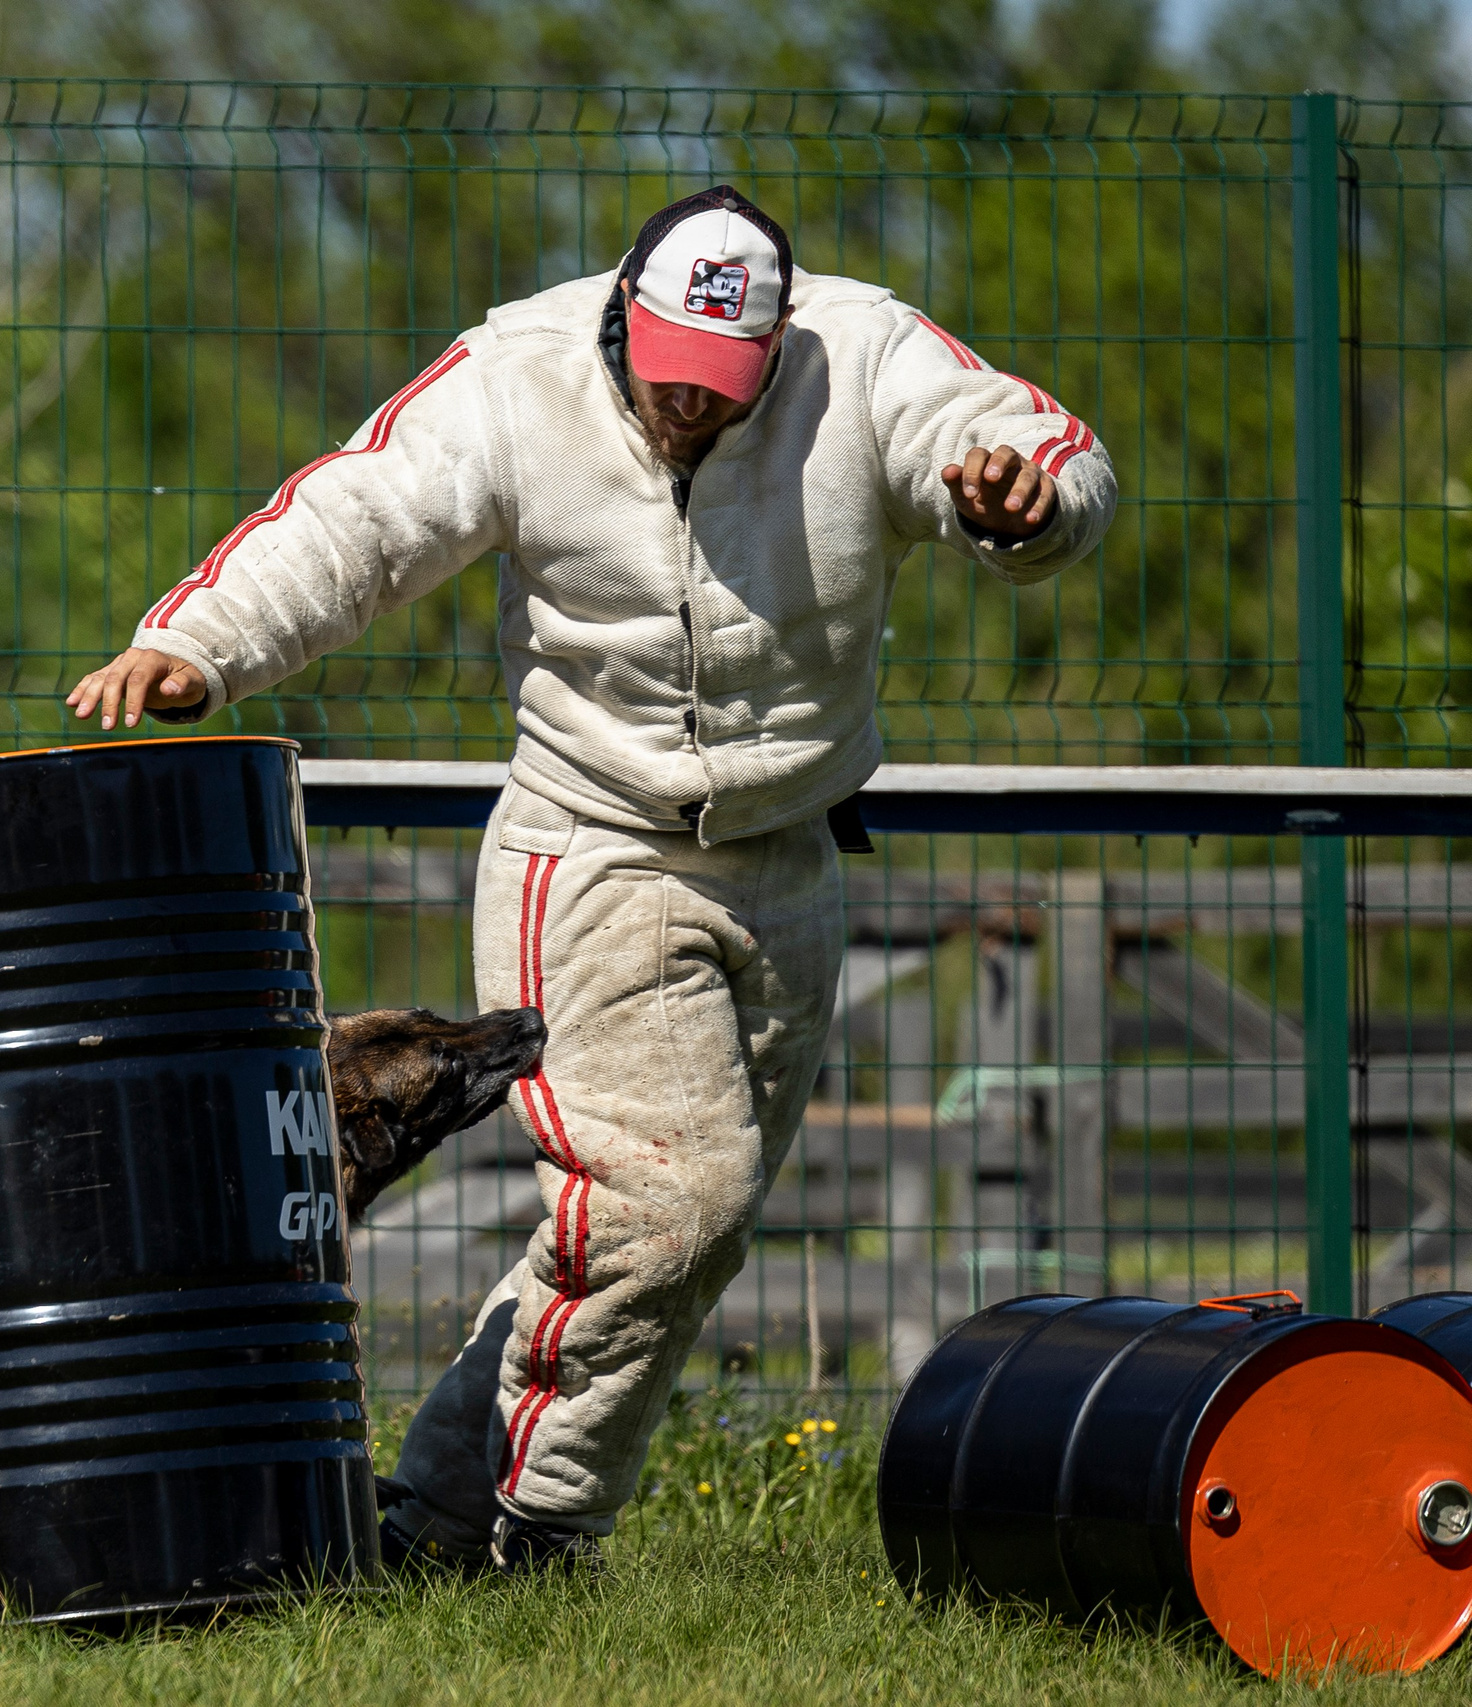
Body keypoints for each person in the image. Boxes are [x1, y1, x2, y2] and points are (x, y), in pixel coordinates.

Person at [65, 184, 1115, 1572]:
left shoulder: (864, 356)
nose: (695, 410)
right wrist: (200, 640)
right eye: (674, 379)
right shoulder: (520, 372)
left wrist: (1023, 510)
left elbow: (1038, 452)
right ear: (624, 314)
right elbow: (359, 516)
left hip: (789, 853)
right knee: (670, 1203)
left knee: (669, 1234)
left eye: (727, 390)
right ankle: (528, 1527)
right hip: (595, 842)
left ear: (781, 345)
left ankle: (447, 1521)